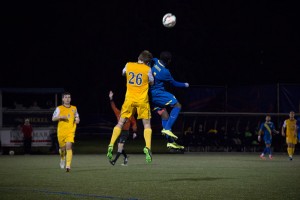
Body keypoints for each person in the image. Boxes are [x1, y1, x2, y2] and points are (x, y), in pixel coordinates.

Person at [107, 50, 154, 163]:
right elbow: (151, 82)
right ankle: (147, 147)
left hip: (129, 99)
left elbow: (123, 73)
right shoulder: (148, 69)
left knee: (120, 123)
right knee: (147, 124)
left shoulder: (128, 65)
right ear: (147, 62)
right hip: (142, 100)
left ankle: (111, 144)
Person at [150, 51, 189, 149]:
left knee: (165, 116)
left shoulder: (154, 61)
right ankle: (167, 129)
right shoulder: (165, 72)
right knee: (177, 105)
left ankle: (170, 142)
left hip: (151, 95)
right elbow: (174, 83)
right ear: (169, 61)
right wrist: (185, 84)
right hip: (159, 94)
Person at [52, 92, 80, 172]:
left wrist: (77, 119)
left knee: (69, 146)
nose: (67, 99)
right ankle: (62, 158)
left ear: (70, 99)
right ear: (63, 99)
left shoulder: (74, 108)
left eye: (69, 97)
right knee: (62, 149)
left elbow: (77, 116)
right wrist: (61, 117)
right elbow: (53, 118)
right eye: (66, 97)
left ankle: (68, 165)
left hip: (70, 131)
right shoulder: (59, 108)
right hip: (61, 132)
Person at [108, 90, 138, 166]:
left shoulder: (130, 115)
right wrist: (111, 98)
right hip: (119, 131)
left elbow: (134, 124)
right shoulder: (119, 113)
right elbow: (113, 107)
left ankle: (114, 161)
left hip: (125, 133)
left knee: (120, 147)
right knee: (120, 147)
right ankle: (126, 157)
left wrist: (134, 132)